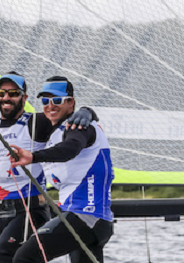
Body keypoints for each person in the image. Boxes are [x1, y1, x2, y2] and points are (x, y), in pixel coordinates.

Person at [0, 40, 95, 263]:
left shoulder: (35, 123)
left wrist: (87, 112)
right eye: (2, 93)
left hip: (29, 210)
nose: (6, 98)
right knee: (7, 258)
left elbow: (66, 112)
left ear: (24, 97)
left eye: (13, 93)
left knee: (0, 254)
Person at [10, 77, 114, 263]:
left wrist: (34, 157)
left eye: (57, 100)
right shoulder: (56, 129)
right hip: (86, 220)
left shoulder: (80, 127)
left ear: (70, 102)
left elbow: (71, 149)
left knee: (24, 258)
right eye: (45, 101)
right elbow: (6, 116)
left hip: (85, 217)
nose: (51, 106)